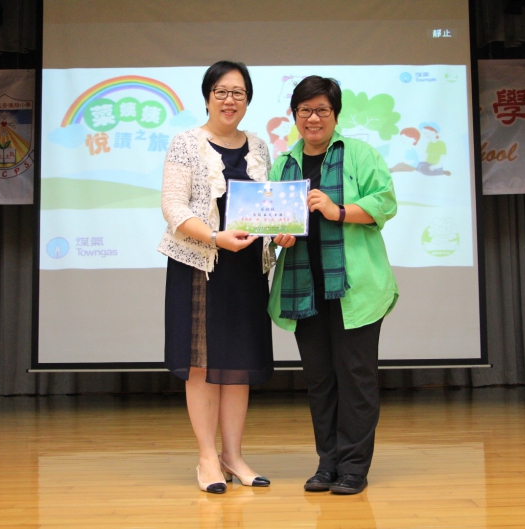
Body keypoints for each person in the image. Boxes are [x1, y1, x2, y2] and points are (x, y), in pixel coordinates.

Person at [158, 60, 295, 494]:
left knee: (238, 364)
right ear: (207, 97)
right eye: (221, 91)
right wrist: (215, 237)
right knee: (201, 364)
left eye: (238, 92)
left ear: (248, 100)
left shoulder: (259, 147)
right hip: (201, 264)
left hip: (247, 269)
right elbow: (173, 206)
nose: (229, 100)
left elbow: (268, 207)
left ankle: (232, 456)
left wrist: (281, 232)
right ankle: (206, 458)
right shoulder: (186, 143)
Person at [267, 76, 399, 495]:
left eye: (322, 109)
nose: (313, 118)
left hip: (355, 289)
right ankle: (327, 464)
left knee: (356, 378)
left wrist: (336, 209)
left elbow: (384, 202)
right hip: (304, 288)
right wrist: (279, 236)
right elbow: (271, 221)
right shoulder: (283, 164)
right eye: (305, 110)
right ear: (294, 115)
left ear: (335, 114)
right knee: (320, 381)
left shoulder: (360, 153)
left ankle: (354, 468)